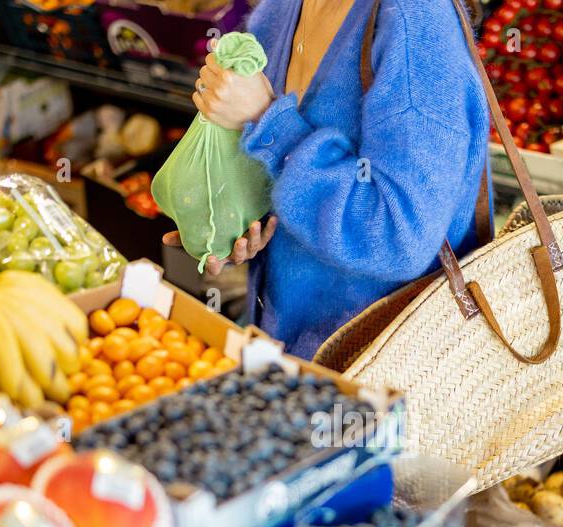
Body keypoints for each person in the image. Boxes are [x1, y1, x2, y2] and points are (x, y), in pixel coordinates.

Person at [170, 0, 490, 360]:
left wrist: (269, 124)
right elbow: (274, 174)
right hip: (284, 349)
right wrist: (239, 225)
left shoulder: (414, 20)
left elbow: (400, 235)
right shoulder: (278, 12)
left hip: (386, 370)